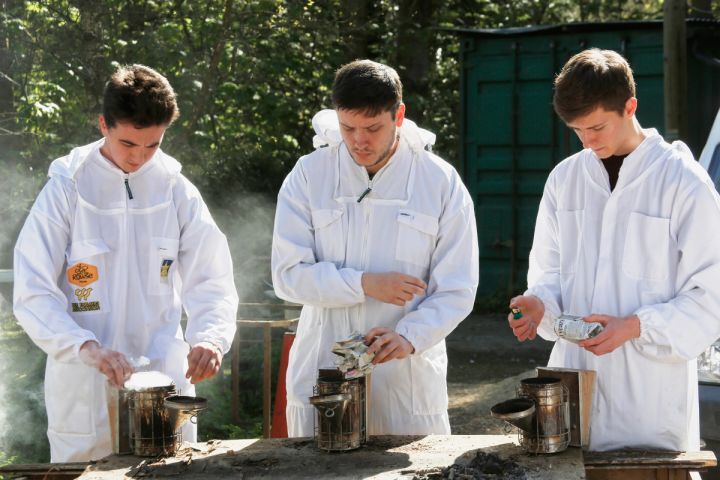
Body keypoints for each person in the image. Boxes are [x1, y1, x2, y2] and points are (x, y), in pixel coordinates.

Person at [13, 64, 239, 462]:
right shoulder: (67, 188)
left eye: (152, 145)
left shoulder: (176, 189)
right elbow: (33, 292)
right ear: (103, 124)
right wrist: (85, 347)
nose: (139, 157)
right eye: (128, 144)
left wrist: (210, 337)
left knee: (171, 470)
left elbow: (212, 278)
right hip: (87, 382)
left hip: (164, 377)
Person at [508, 49, 720, 451]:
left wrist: (636, 326)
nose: (588, 142)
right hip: (573, 389)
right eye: (577, 131)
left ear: (630, 106)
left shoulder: (683, 182)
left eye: (597, 127)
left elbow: (711, 295)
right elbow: (549, 273)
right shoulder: (564, 180)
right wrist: (539, 305)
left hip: (649, 401)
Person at [271, 59, 478, 436]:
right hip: (324, 374)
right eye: (347, 127)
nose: (358, 141)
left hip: (404, 382)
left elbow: (457, 289)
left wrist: (410, 336)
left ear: (398, 115)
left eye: (372, 128)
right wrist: (364, 284)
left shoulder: (439, 181)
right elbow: (288, 276)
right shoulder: (309, 174)